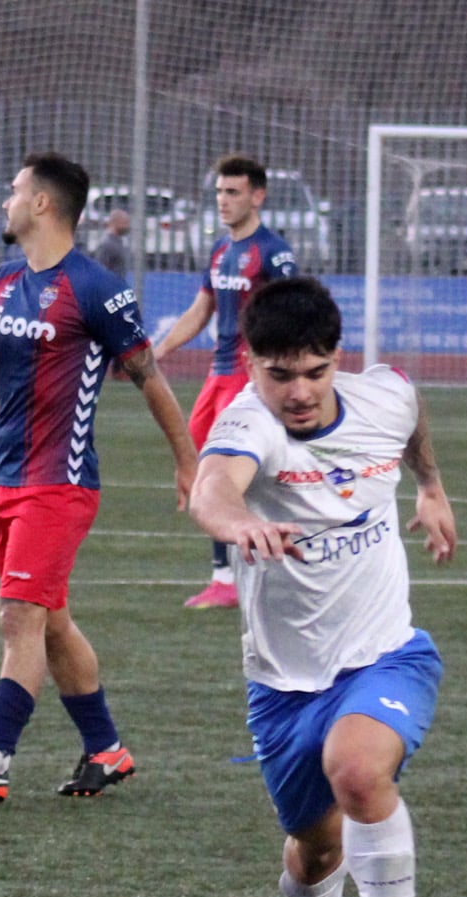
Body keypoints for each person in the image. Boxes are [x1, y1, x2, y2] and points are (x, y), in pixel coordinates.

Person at [187, 276, 456, 897]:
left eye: (315, 371)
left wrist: (430, 487)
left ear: (337, 358)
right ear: (251, 366)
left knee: (358, 769)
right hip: (283, 685)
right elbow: (211, 489)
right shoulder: (250, 427)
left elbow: (410, 414)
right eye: (280, 375)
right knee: (312, 849)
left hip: (385, 653)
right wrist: (236, 522)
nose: (299, 392)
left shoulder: (384, 396)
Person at [0, 151, 197, 803]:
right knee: (50, 622)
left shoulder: (95, 288)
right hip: (4, 480)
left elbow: (148, 377)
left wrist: (188, 462)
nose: (6, 203)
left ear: (42, 203)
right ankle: (108, 750)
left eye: (14, 191)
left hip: (59, 485)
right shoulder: (6, 282)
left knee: (18, 618)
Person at [157, 154, 297, 609]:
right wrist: (159, 349)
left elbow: (292, 310)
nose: (223, 200)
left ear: (258, 196)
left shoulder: (273, 252)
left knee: (239, 477)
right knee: (200, 474)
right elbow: (202, 309)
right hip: (217, 377)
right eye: (219, 192)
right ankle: (226, 575)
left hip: (248, 379)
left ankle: (246, 575)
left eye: (232, 192)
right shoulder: (220, 251)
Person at [92, 207, 131, 277]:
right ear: (116, 222)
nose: (128, 226)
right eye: (125, 223)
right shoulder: (107, 244)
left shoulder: (117, 242)